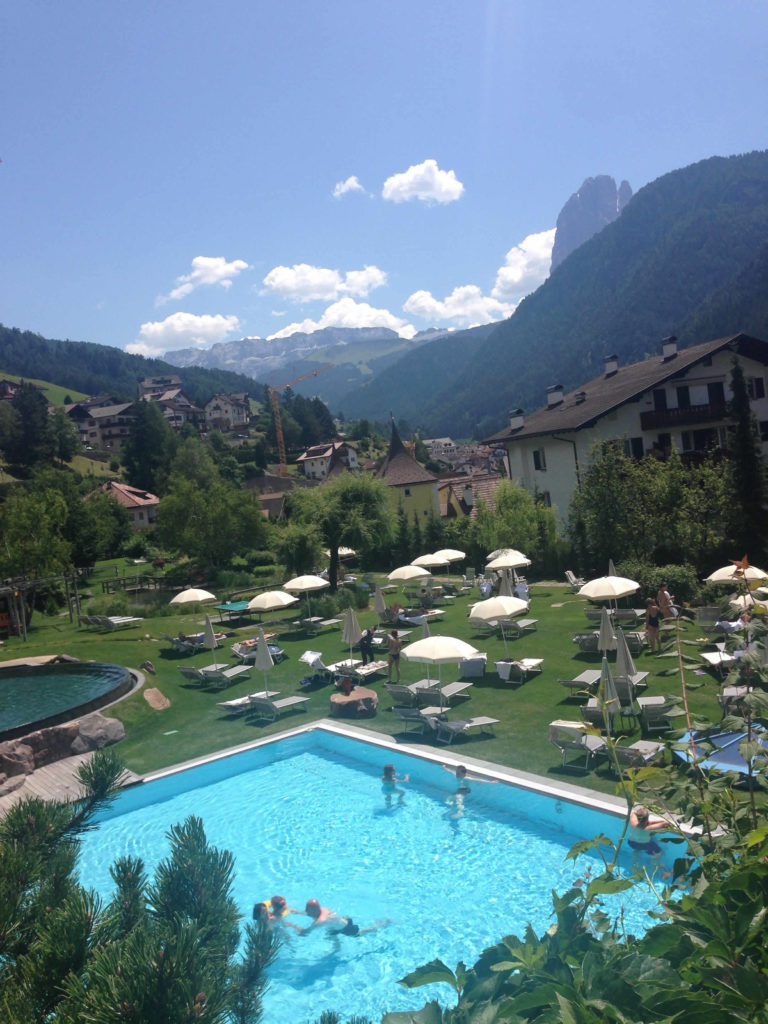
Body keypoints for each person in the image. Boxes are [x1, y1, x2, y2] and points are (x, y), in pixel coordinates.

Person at [296, 899, 389, 939]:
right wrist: (296, 912)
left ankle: (378, 926)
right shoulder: (322, 909)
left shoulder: (321, 921)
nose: (307, 912)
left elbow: (306, 932)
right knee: (330, 934)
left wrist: (294, 927)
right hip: (341, 922)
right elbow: (309, 913)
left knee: (359, 934)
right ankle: (336, 949)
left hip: (346, 927)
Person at [628, 806, 671, 878]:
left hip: (632, 843)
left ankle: (634, 864)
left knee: (637, 849)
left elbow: (633, 813)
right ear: (647, 818)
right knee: (658, 852)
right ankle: (652, 865)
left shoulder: (633, 823)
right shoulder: (648, 828)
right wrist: (652, 822)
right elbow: (665, 823)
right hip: (645, 845)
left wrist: (648, 821)